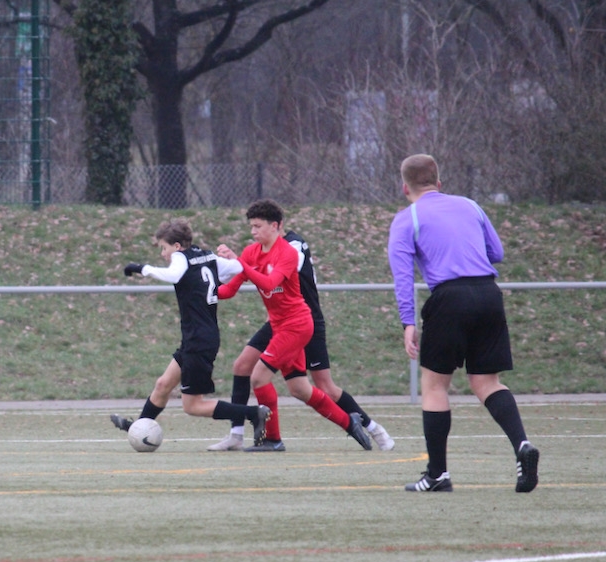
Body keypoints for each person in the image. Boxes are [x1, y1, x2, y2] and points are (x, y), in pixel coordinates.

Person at [388, 153, 539, 493]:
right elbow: (496, 253)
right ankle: (522, 445)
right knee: (487, 382)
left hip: (450, 298)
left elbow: (402, 275)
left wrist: (407, 322)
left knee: (435, 386)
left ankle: (437, 475)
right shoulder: (471, 206)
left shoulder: (407, 218)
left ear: (405, 188)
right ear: (439, 183)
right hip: (488, 293)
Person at [207, 200, 395, 452]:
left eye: (258, 226)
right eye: (251, 226)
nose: (253, 231)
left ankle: (274, 439)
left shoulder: (289, 250)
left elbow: (269, 282)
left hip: (300, 323)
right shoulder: (252, 252)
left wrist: (240, 263)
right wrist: (202, 292)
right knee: (296, 386)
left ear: (276, 226)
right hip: (279, 323)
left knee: (270, 378)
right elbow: (230, 288)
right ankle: (348, 423)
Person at [109, 218, 270, 446]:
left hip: (198, 340)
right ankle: (139, 427)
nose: (163, 254)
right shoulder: (206, 256)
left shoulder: (180, 258)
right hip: (199, 337)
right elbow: (236, 268)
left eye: (164, 248)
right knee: (163, 385)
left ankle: (253, 413)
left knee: (193, 405)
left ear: (176, 246)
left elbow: (173, 275)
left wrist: (141, 268)